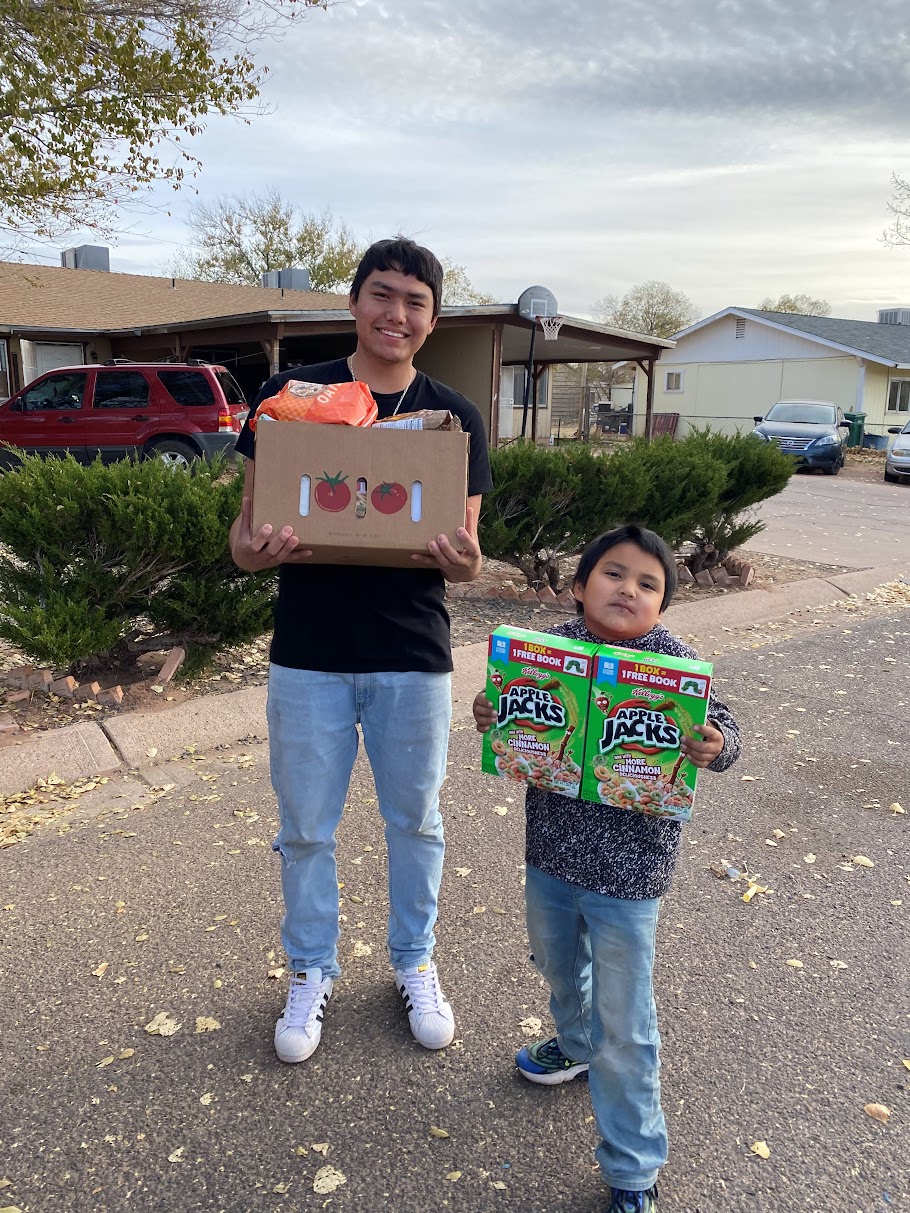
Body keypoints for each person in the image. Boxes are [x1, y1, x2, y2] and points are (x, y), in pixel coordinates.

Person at [230, 237, 493, 1064]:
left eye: (415, 302)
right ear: (353, 302)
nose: (397, 314)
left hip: (411, 654)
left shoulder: (453, 417)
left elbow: (470, 554)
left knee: (416, 822)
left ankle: (414, 959)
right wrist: (258, 550)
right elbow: (242, 541)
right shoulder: (289, 399)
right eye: (383, 295)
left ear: (432, 319)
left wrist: (466, 563)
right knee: (306, 826)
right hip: (307, 651)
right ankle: (310, 968)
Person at [473, 525, 741, 1213]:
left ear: (663, 605)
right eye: (614, 574)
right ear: (579, 585)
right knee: (558, 964)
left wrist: (717, 743)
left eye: (648, 583)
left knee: (628, 1021)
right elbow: (508, 718)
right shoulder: (545, 652)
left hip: (632, 872)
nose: (629, 588)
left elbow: (725, 728)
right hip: (552, 854)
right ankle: (574, 1040)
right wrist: (491, 712)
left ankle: (632, 1164)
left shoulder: (676, 665)